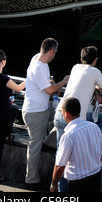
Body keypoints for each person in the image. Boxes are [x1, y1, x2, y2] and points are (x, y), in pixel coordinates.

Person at [53, 46, 102, 191]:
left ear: (81, 59)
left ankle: (61, 191)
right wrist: (96, 88)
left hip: (60, 113)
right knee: (69, 159)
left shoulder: (75, 67)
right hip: (73, 118)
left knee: (61, 157)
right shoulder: (95, 71)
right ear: (95, 60)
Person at [22, 38, 69, 189]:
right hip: (35, 112)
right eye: (55, 52)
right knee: (34, 147)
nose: (55, 55)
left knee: (60, 118)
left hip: (40, 108)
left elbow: (47, 83)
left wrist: (53, 84)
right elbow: (49, 90)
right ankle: (31, 180)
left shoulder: (38, 58)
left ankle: (49, 142)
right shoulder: (38, 67)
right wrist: (63, 82)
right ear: (50, 51)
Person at [0, 49, 25, 182]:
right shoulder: (3, 78)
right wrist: (31, 78)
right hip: (1, 114)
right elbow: (18, 88)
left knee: (14, 109)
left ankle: (7, 133)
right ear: (3, 62)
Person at [50, 97, 102, 193]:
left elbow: (59, 166)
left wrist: (53, 184)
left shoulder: (68, 136)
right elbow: (101, 154)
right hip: (96, 177)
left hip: (77, 183)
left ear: (66, 113)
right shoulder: (94, 127)